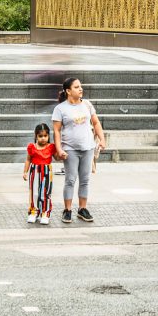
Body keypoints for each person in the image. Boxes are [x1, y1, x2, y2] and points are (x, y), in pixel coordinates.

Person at [52, 76, 106, 224]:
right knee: (70, 180)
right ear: (68, 91)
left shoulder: (87, 105)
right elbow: (56, 131)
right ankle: (67, 210)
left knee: (85, 180)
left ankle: (82, 209)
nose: (80, 89)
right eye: (76, 87)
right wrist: (59, 149)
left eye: (80, 86)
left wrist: (102, 139)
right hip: (70, 149)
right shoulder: (60, 109)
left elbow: (95, 122)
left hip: (88, 147)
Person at [23, 123, 55, 225]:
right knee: (34, 192)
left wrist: (62, 154)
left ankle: (45, 213)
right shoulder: (32, 147)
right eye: (40, 136)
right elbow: (28, 160)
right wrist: (25, 172)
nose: (43, 138)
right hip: (34, 171)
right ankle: (33, 212)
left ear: (48, 136)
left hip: (46, 172)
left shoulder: (51, 147)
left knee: (45, 192)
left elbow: (57, 157)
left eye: (45, 136)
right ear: (36, 136)